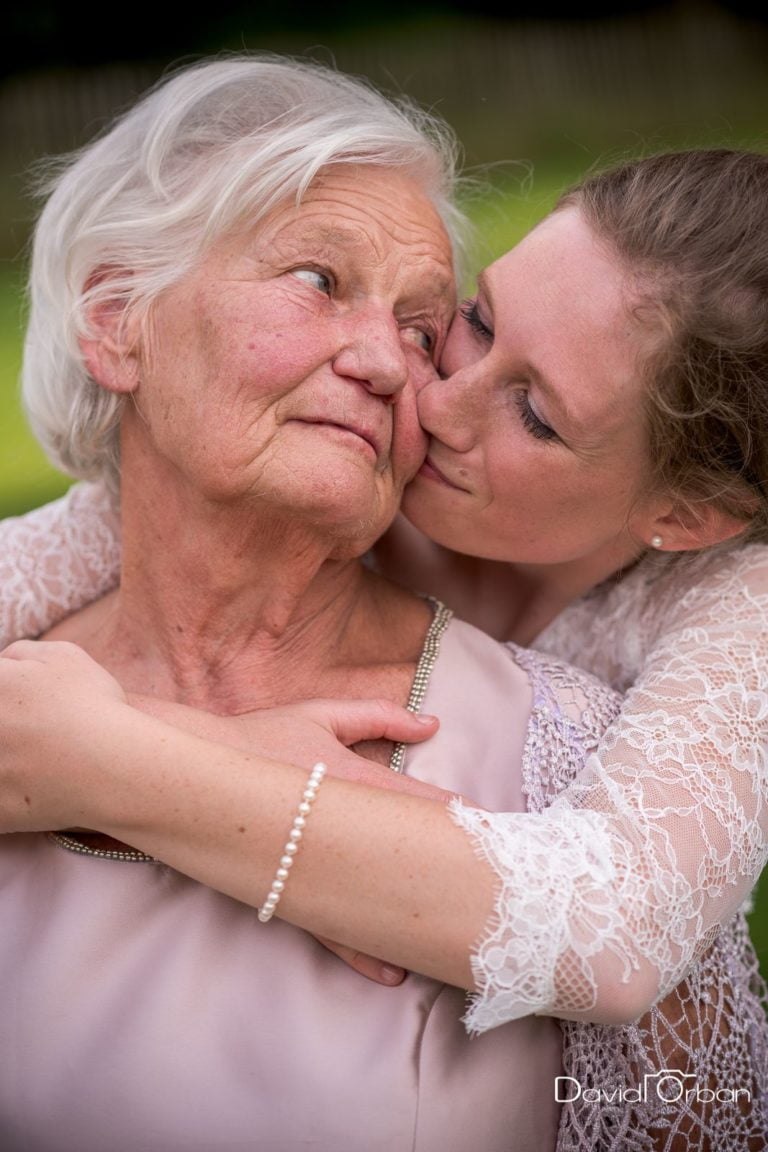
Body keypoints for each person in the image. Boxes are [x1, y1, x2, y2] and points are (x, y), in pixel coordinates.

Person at [0, 78, 766, 1146]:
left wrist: (127, 758)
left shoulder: (681, 670)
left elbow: (614, 938)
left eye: (535, 413)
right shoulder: (66, 594)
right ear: (115, 320)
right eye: (470, 324)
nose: (419, 391)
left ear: (681, 514)